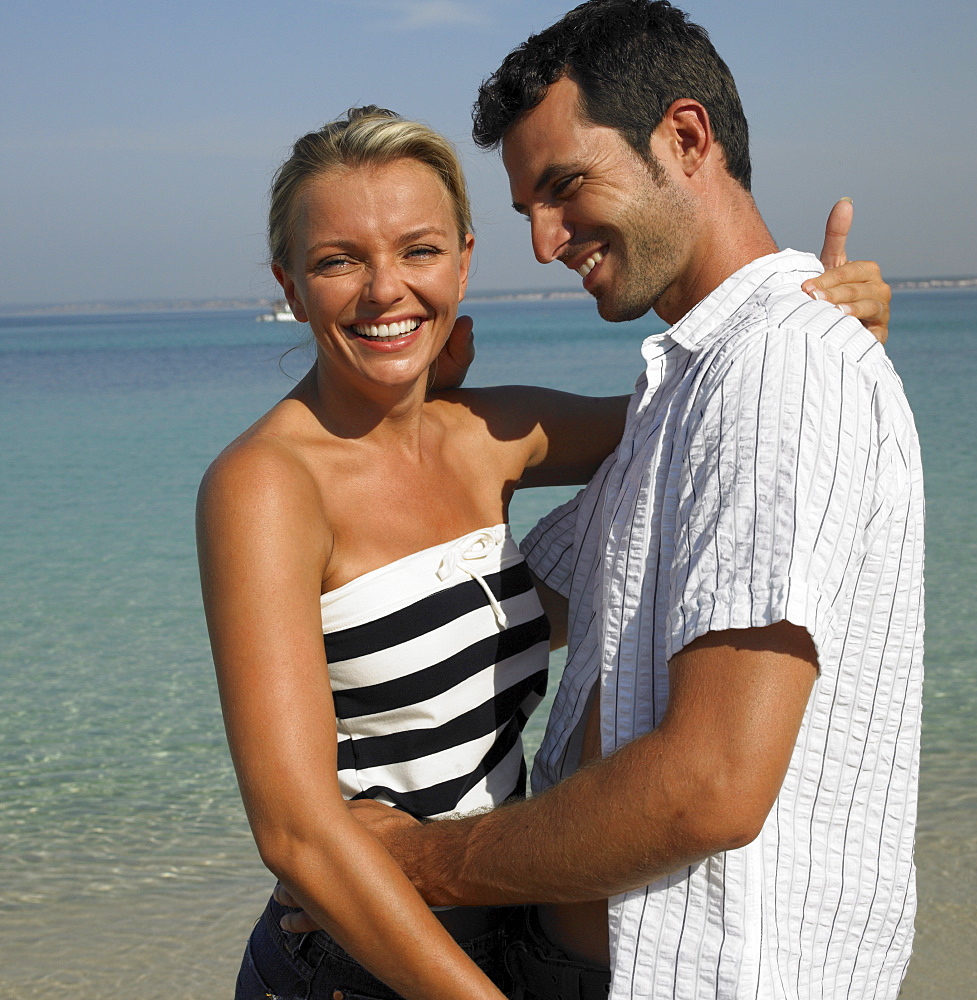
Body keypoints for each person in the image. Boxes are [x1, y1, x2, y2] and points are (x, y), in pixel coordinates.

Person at [278, 3, 922, 999]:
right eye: (528, 207)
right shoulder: (696, 384)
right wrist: (416, 402)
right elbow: (522, 607)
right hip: (570, 961)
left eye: (565, 185)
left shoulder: (780, 372)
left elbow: (708, 792)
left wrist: (402, 866)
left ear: (686, 137)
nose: (543, 241)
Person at [197, 106, 636, 1000]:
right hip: (364, 963)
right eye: (338, 260)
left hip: (511, 915)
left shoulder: (482, 434)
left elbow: (699, 430)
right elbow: (296, 835)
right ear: (290, 281)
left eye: (418, 251)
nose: (383, 289)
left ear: (465, 260)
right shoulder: (267, 486)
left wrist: (819, 330)